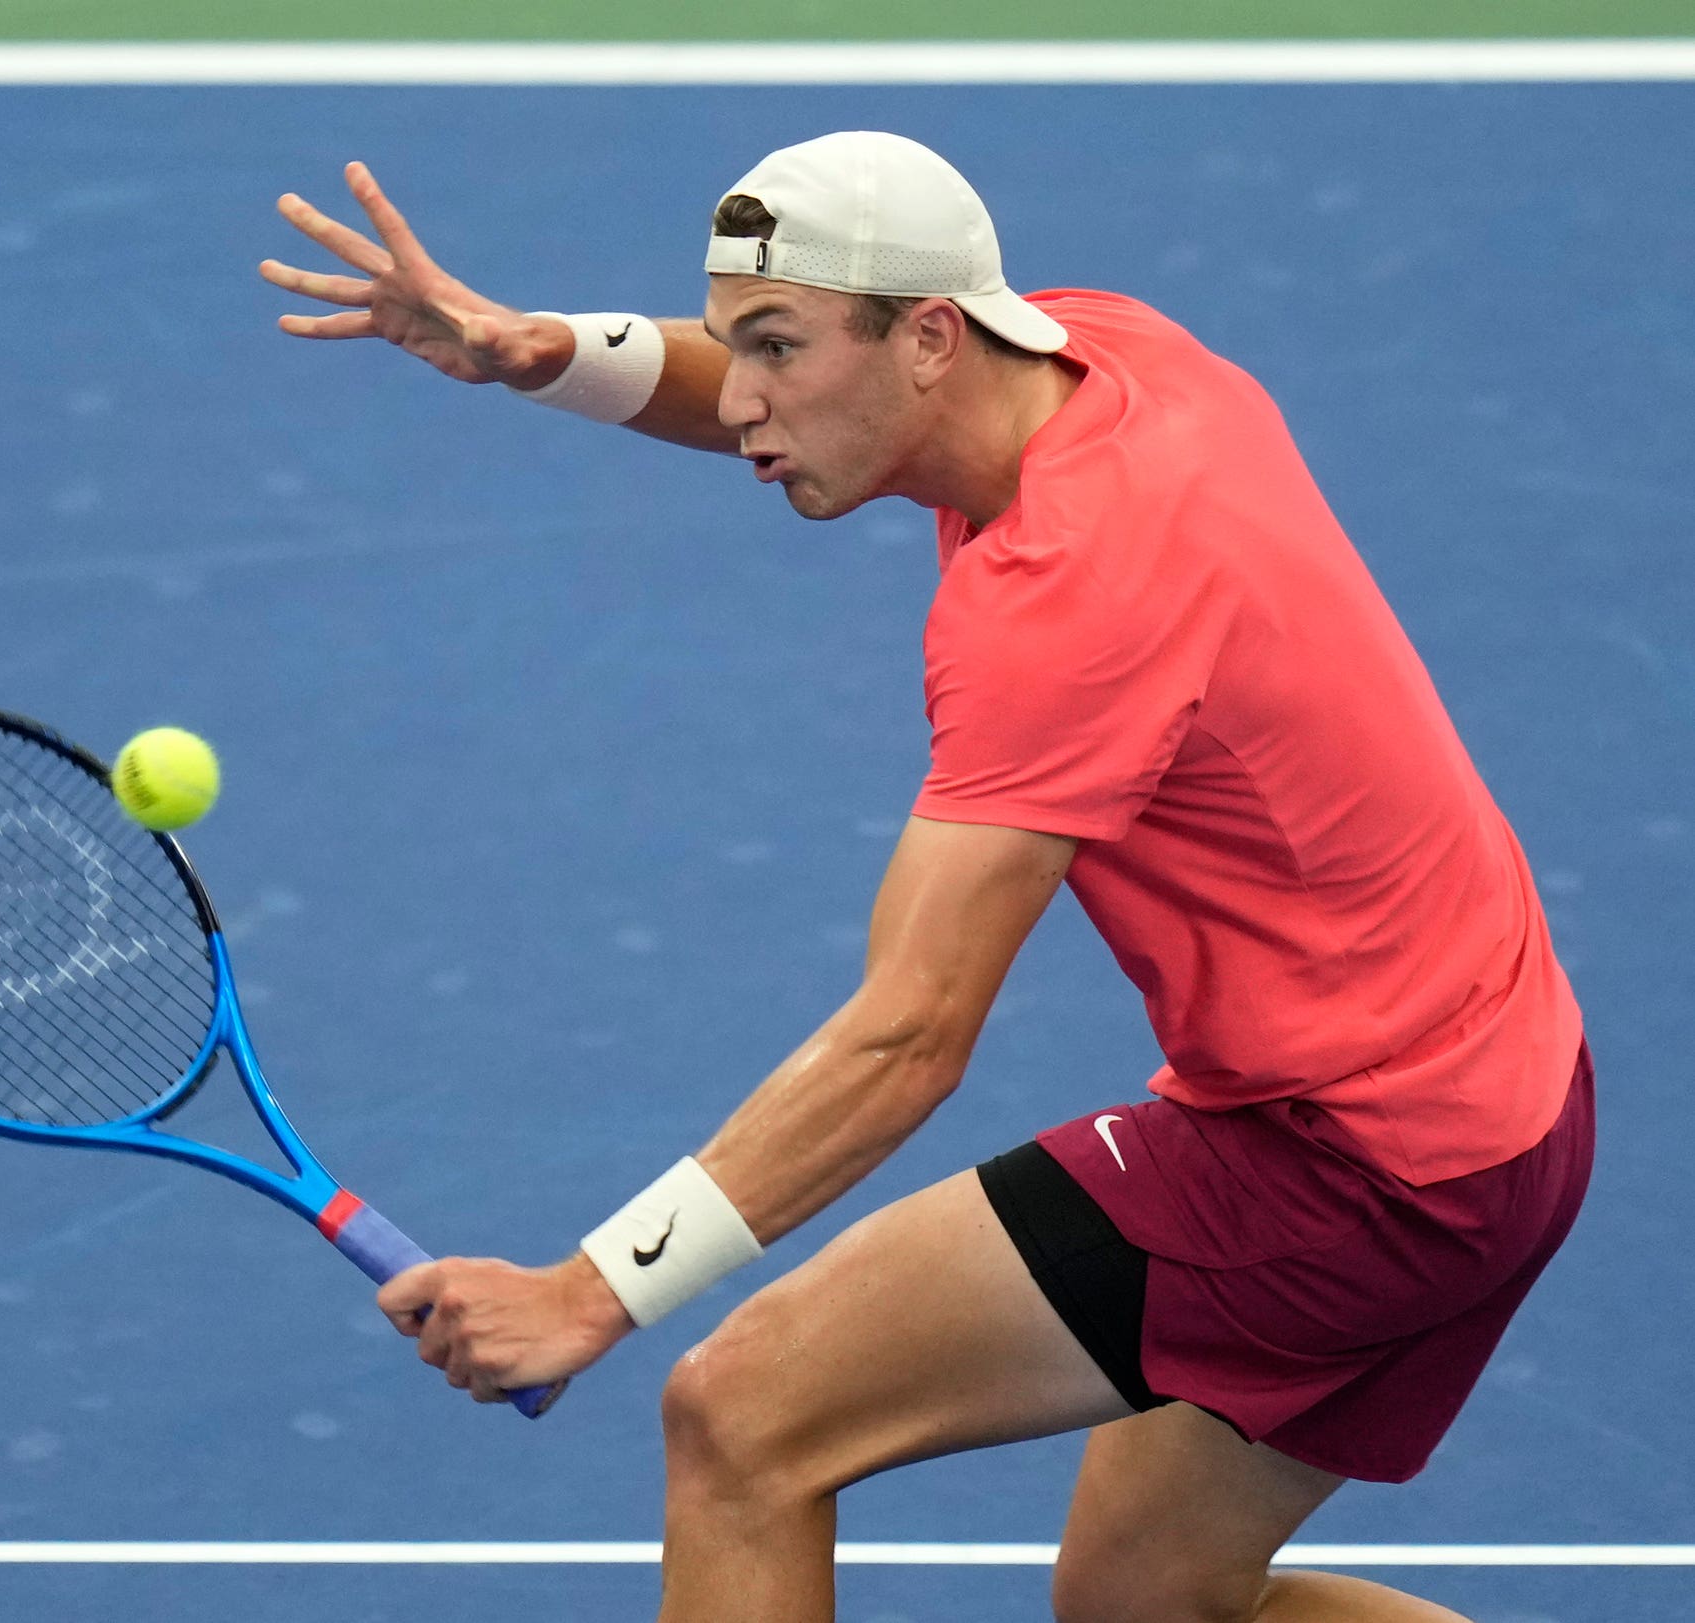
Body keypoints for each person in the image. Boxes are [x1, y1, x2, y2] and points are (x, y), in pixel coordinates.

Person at [258, 131, 1592, 1623]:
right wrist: (542, 352)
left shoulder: (1063, 609)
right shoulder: (1108, 354)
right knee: (1155, 1605)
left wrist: (588, 1292)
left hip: (1348, 1163)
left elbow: (907, 1036)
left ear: (930, 339)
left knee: (746, 1419)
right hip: (1505, 1097)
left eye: (774, 344)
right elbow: (802, 391)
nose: (742, 392)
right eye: (733, 338)